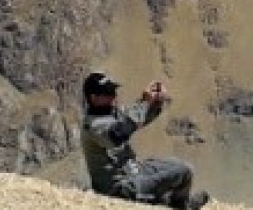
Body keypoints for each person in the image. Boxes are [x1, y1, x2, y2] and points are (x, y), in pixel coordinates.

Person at [80, 72, 209, 209]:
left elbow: (138, 119)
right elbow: (119, 133)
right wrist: (144, 103)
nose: (113, 96)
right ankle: (179, 205)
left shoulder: (112, 113)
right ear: (94, 98)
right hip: (120, 186)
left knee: (184, 168)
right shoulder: (93, 126)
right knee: (182, 172)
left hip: (134, 171)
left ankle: (176, 202)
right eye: (108, 93)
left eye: (113, 91)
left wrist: (155, 102)